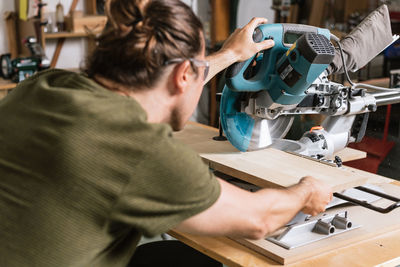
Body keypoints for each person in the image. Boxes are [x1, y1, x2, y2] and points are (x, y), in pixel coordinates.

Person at [0, 0, 332, 266]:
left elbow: (174, 78)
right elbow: (258, 220)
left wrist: (230, 55)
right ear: (183, 75)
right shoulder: (137, 149)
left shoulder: (46, 85)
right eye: (199, 69)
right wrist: (306, 192)